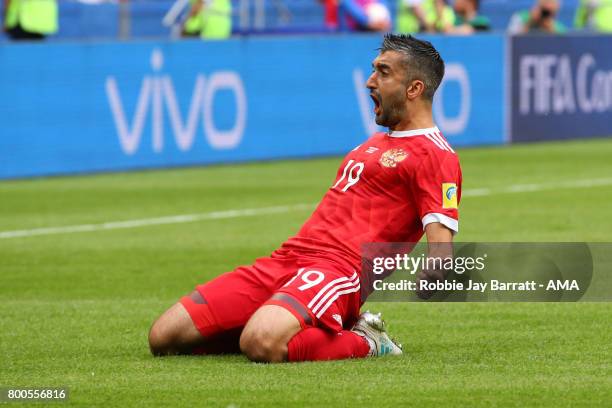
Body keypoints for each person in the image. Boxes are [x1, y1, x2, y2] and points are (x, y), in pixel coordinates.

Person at [148, 34, 462, 363]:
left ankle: (367, 341)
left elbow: (441, 242)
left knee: (262, 342)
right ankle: (282, 320)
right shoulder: (374, 144)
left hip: (338, 272)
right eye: (373, 70)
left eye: (383, 72)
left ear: (414, 89)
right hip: (286, 260)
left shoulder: (435, 155)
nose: (370, 81)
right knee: (164, 337)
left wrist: (436, 268)